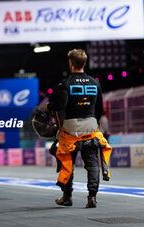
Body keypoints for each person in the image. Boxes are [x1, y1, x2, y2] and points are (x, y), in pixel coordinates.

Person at [45, 49, 111, 208]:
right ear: (84, 63)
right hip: (90, 127)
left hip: (71, 128)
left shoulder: (66, 83)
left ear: (71, 63)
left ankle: (67, 197)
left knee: (68, 162)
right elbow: (101, 109)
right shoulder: (95, 82)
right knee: (93, 163)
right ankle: (92, 198)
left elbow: (60, 105)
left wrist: (49, 106)